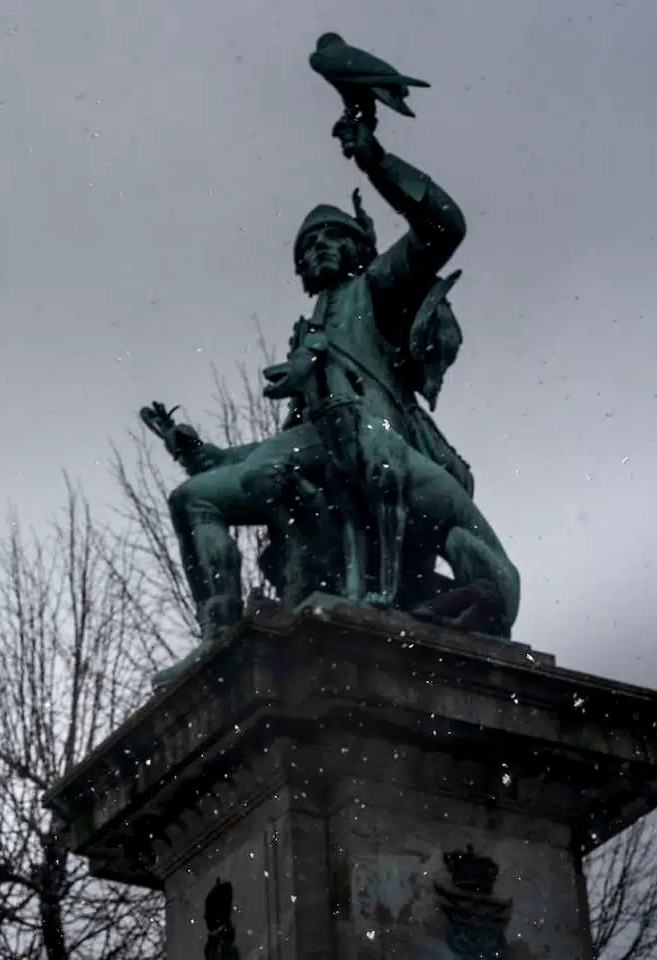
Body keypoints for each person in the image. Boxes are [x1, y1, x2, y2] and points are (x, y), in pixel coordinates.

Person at [144, 113, 481, 684]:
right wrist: (200, 453)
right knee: (193, 499)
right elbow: (285, 443)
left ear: (358, 247)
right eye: (308, 246)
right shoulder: (310, 329)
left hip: (374, 441)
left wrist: (375, 160)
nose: (318, 249)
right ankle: (218, 638)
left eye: (330, 238)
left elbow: (444, 227)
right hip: (318, 444)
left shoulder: (376, 289)